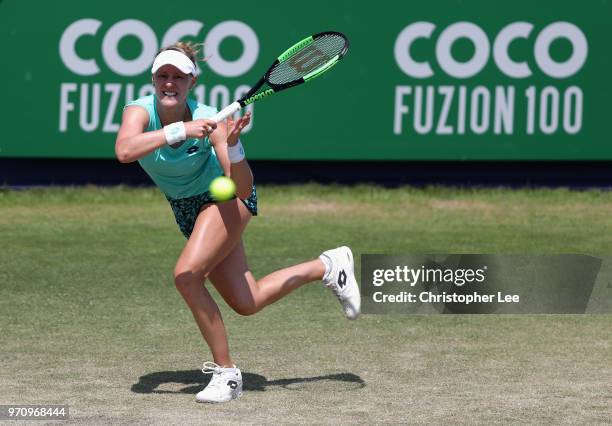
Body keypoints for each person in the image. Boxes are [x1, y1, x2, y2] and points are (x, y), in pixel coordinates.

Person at [115, 42, 360, 403]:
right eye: (163, 76)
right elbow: (124, 150)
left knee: (186, 276)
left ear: (191, 82)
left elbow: (242, 187)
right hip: (187, 210)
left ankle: (227, 374)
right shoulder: (138, 111)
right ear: (153, 79)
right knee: (248, 301)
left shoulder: (212, 119)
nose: (170, 83)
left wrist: (232, 147)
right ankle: (327, 266)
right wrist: (181, 130)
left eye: (178, 77)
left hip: (226, 201)